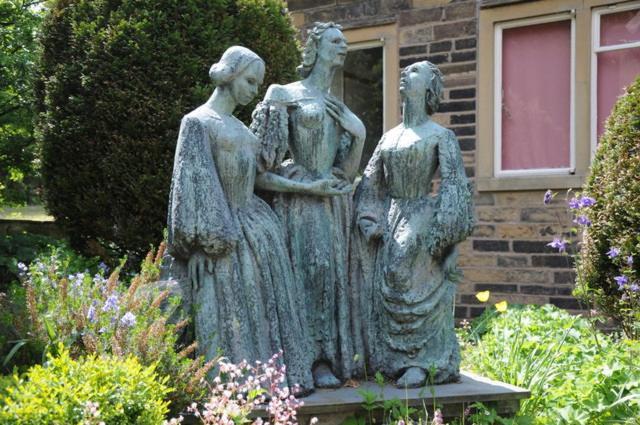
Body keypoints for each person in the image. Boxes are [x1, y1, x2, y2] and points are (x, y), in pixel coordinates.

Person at [166, 46, 339, 393]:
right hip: (224, 234)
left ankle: (271, 381)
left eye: (258, 83)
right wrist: (198, 246)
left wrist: (309, 189)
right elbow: (192, 186)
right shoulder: (198, 122)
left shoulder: (243, 131)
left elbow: (260, 178)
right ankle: (236, 385)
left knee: (265, 315)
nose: (253, 90)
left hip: (259, 231)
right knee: (234, 315)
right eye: (249, 80)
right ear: (229, 74)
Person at [250, 22, 365, 387]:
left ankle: (324, 360)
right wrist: (307, 189)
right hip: (298, 205)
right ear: (315, 48)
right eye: (335, 40)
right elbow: (259, 172)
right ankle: (298, 358)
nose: (343, 44)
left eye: (345, 39)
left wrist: (358, 134)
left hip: (332, 208)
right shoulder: (283, 94)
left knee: (329, 280)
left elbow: (345, 176)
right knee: (305, 275)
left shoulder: (337, 105)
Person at [351, 61, 474, 388]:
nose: (405, 72)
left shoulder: (440, 136)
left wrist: (447, 236)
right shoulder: (389, 137)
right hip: (390, 215)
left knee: (408, 280)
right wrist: (367, 217)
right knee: (387, 283)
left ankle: (422, 360)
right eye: (405, 70)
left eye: (416, 71)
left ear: (430, 87)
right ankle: (389, 358)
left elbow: (454, 186)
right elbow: (371, 183)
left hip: (421, 215)